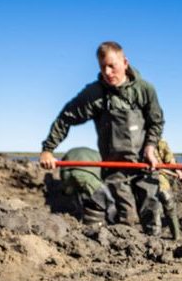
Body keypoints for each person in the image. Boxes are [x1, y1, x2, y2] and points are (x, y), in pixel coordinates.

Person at [40, 41, 165, 235]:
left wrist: (150, 147)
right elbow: (66, 118)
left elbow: (156, 122)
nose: (107, 72)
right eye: (102, 67)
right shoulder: (95, 94)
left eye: (112, 66)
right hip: (114, 166)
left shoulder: (144, 90)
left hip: (144, 164)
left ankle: (155, 248)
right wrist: (48, 149)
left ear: (125, 63)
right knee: (126, 216)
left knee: (152, 211)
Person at [59, 146, 116, 226]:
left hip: (69, 172)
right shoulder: (99, 155)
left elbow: (63, 172)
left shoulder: (72, 152)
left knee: (74, 194)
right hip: (86, 174)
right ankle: (112, 222)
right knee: (108, 200)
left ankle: (76, 215)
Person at [155, 139, 181, 240]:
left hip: (160, 179)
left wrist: (177, 169)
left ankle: (176, 236)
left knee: (169, 205)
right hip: (143, 179)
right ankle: (154, 239)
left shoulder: (159, 141)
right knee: (153, 209)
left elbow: (169, 158)